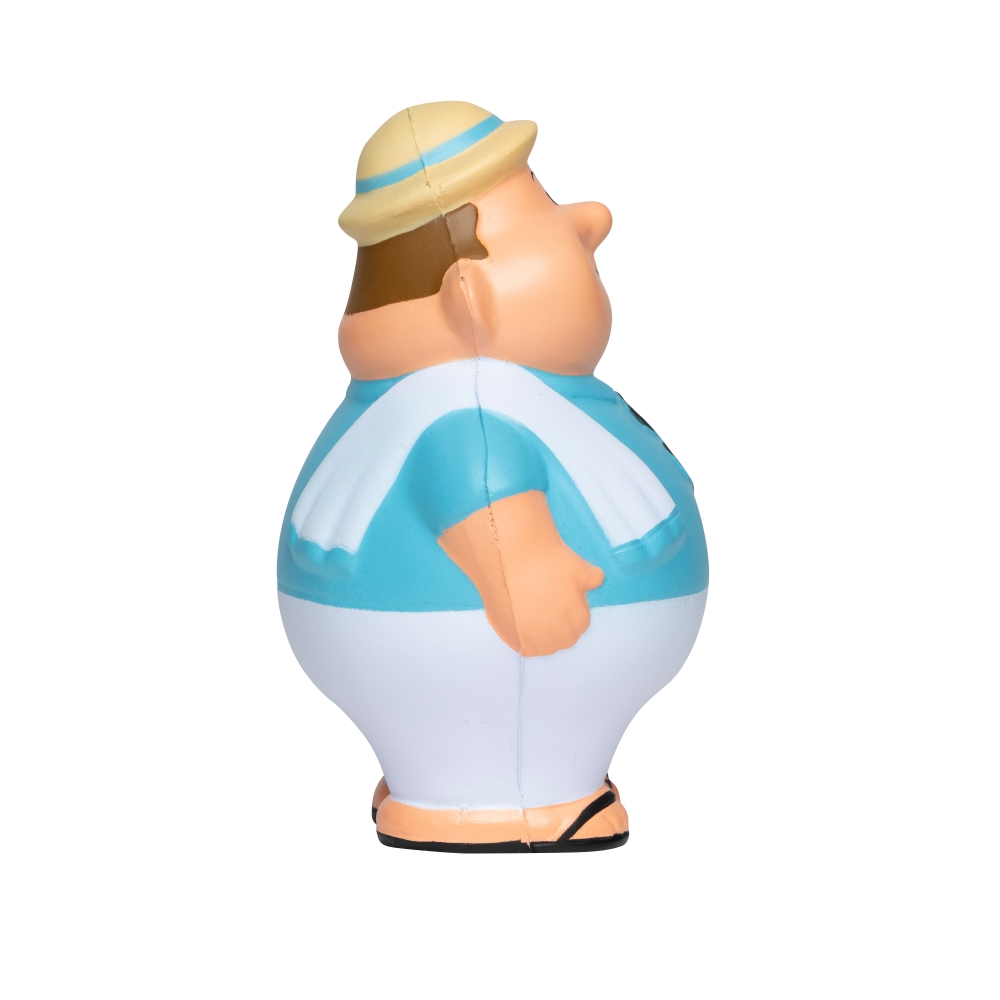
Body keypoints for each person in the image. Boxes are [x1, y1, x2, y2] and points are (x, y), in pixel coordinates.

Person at [277, 102, 709, 852]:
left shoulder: (471, 394)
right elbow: (473, 474)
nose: (590, 221)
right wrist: (523, 564)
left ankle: (445, 778)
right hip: (494, 667)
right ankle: (512, 795)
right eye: (543, 209)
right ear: (470, 296)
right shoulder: (466, 412)